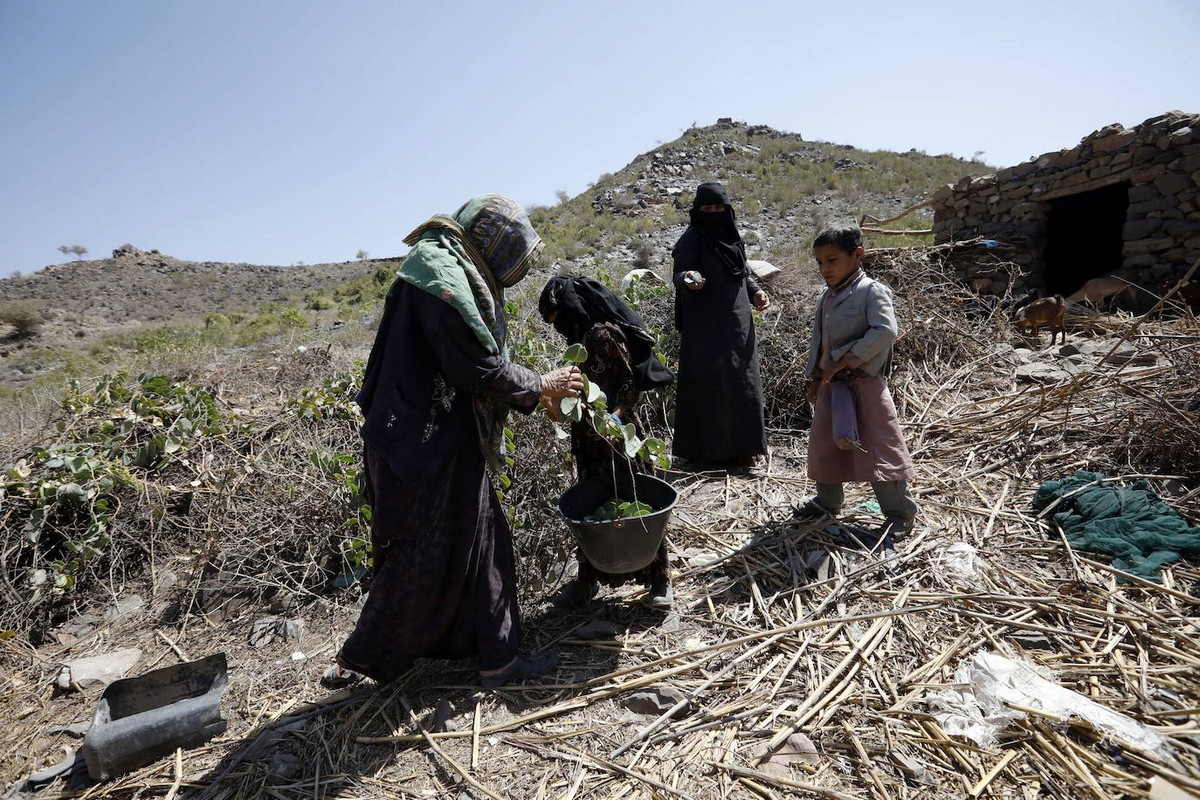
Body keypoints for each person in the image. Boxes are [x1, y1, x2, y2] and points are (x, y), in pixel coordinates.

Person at [323, 194, 584, 689]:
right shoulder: (440, 282)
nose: (514, 267)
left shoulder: (443, 267)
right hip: (421, 444)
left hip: (434, 433)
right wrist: (540, 385)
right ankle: (362, 656)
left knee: (483, 540)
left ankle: (497, 656)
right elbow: (475, 366)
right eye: (511, 251)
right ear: (491, 242)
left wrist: (534, 391)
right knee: (417, 552)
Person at [537, 274, 675, 609]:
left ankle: (660, 581)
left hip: (619, 435)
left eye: (557, 318)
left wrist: (613, 418)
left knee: (637, 498)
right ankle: (589, 579)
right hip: (589, 440)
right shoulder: (580, 341)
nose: (557, 327)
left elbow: (630, 385)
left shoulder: (603, 333)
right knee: (592, 503)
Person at [797, 223, 918, 540]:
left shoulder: (871, 291)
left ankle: (900, 514)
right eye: (819, 262)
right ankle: (827, 502)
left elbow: (885, 331)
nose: (824, 268)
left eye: (832, 260)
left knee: (880, 447)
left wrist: (845, 360)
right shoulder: (828, 297)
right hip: (832, 386)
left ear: (858, 255)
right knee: (824, 445)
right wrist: (816, 377)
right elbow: (819, 342)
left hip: (863, 384)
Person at [671, 181, 770, 467]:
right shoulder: (691, 239)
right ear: (698, 211)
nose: (714, 213)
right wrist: (690, 278)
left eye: (719, 207)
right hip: (705, 327)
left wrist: (755, 292)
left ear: (727, 210)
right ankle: (705, 455)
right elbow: (680, 274)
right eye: (708, 208)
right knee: (708, 383)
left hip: (738, 325)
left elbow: (741, 270)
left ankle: (744, 449)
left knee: (742, 382)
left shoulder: (732, 236)